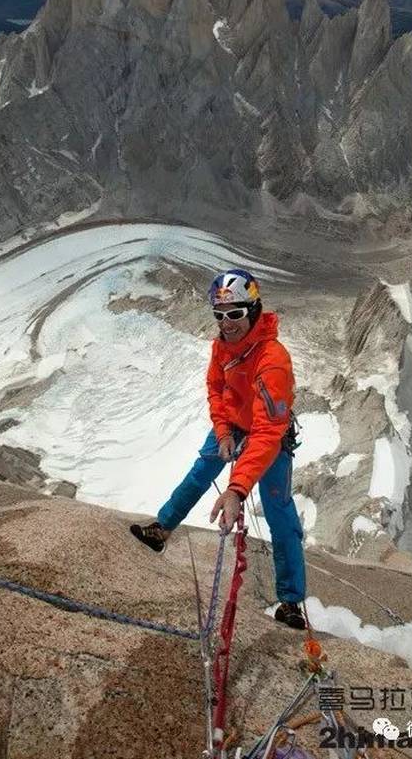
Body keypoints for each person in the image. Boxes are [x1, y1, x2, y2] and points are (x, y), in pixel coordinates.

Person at [131, 268, 307, 629]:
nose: (226, 323)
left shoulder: (272, 360)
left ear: (254, 311)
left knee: (279, 513)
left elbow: (267, 430)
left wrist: (237, 489)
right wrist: (224, 432)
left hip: (266, 435)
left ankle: (290, 602)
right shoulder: (222, 348)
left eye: (235, 314)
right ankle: (162, 529)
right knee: (200, 472)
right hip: (234, 427)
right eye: (220, 315)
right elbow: (216, 388)